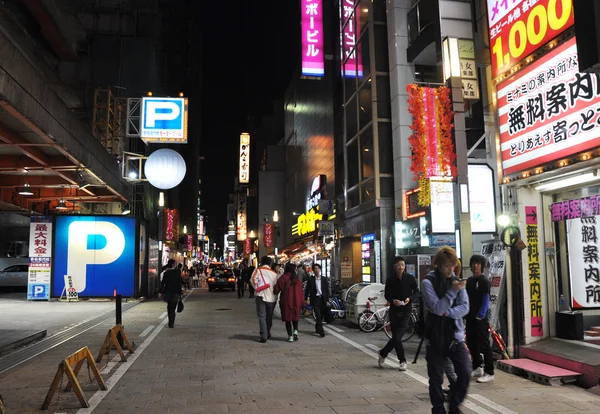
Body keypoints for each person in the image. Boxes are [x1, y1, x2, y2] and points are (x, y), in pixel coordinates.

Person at [421, 246, 470, 414]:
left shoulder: (457, 280)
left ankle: (454, 406)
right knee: (436, 380)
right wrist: (452, 292)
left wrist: (447, 313)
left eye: (453, 265)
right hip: (434, 338)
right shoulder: (428, 283)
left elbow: (465, 308)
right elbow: (436, 306)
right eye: (447, 265)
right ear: (439, 265)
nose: (451, 269)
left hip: (455, 337)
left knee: (465, 372)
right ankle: (439, 410)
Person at [378, 257, 418, 371]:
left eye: (402, 265)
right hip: (394, 311)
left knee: (397, 337)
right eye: (398, 265)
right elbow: (386, 294)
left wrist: (410, 299)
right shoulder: (390, 280)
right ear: (394, 267)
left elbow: (417, 292)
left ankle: (401, 360)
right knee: (396, 337)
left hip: (406, 311)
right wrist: (393, 300)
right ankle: (384, 353)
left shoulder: (410, 279)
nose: (401, 267)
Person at [466, 254, 495, 383]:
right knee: (471, 342)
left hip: (480, 319)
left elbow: (485, 299)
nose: (475, 265)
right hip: (470, 317)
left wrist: (481, 315)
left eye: (478, 263)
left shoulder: (484, 281)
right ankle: (477, 366)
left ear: (482, 266)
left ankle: (490, 372)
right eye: (473, 263)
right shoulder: (470, 281)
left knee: (484, 344)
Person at [251, 256, 279, 343]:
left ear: (261, 262)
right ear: (270, 263)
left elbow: (252, 280)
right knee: (269, 317)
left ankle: (264, 335)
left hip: (261, 296)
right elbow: (276, 286)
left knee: (262, 317)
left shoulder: (258, 271)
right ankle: (268, 332)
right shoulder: (274, 274)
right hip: (272, 298)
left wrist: (258, 288)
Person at [274, 263, 304, 342]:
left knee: (288, 319)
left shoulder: (283, 278)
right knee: (295, 318)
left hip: (286, 301)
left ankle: (290, 336)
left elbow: (276, 289)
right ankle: (295, 332)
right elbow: (301, 292)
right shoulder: (297, 279)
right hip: (297, 301)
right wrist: (302, 302)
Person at [304, 263, 330, 337]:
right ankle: (321, 331)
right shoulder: (311, 279)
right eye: (315, 268)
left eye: (318, 268)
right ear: (313, 270)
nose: (317, 270)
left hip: (322, 299)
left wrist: (327, 299)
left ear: (320, 269)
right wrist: (305, 298)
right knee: (318, 315)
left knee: (321, 316)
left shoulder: (324, 279)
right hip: (315, 299)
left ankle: (317, 328)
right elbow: (307, 290)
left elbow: (326, 290)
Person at [159, 259, 182, 328]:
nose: (176, 265)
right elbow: (179, 284)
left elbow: (163, 283)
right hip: (175, 293)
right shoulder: (177, 273)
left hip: (168, 292)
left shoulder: (166, 273)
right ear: (173, 265)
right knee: (173, 307)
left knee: (169, 307)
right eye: (175, 264)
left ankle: (170, 321)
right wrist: (180, 293)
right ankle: (171, 323)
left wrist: (160, 292)